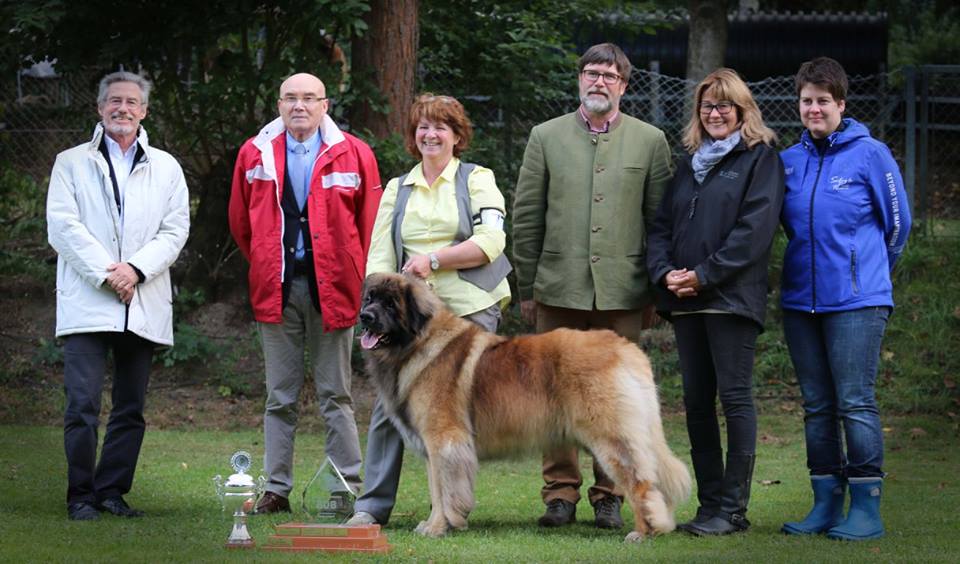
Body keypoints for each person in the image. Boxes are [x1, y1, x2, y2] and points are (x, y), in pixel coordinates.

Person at [512, 43, 673, 529]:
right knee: (551, 396)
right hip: (557, 289)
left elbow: (660, 223)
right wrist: (527, 285)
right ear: (579, 80)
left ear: (624, 84)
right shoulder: (546, 136)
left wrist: (653, 291)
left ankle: (609, 496)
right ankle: (559, 493)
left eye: (609, 75)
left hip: (622, 293)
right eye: (590, 73)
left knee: (612, 400)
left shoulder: (650, 141)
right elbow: (526, 217)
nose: (598, 81)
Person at [346, 93, 511, 526]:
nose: (430, 134)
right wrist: (384, 303)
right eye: (422, 126)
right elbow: (378, 261)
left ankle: (453, 506)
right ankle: (371, 506)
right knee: (390, 405)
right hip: (409, 317)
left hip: (470, 305)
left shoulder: (478, 179)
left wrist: (433, 260)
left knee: (460, 410)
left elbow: (492, 242)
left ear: (458, 136)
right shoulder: (397, 189)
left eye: (441, 126)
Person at [228, 72, 382, 514]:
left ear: (325, 105)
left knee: (337, 395)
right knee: (280, 396)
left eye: (309, 98)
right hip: (276, 288)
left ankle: (344, 488)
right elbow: (242, 221)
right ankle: (276, 489)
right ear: (278, 104)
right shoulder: (254, 152)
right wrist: (265, 259)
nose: (300, 106)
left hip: (334, 289)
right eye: (291, 98)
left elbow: (368, 224)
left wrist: (352, 274)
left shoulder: (354, 153)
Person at [46, 71, 190, 521]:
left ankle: (111, 492)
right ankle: (81, 496)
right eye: (114, 101)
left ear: (144, 111)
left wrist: (136, 270)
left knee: (130, 407)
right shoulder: (70, 162)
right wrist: (110, 274)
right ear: (100, 108)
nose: (122, 108)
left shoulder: (166, 166)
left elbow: (175, 229)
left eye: (131, 102)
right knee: (82, 405)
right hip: (88, 299)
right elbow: (63, 227)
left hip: (141, 300)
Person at [647, 68, 784, 536]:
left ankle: (733, 510)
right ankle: (709, 507)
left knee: (735, 400)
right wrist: (666, 273)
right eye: (707, 105)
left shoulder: (760, 160)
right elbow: (662, 225)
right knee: (696, 404)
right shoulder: (690, 162)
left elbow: (755, 232)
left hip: (730, 300)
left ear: (743, 110)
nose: (716, 112)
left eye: (725, 105)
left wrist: (703, 275)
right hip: (686, 301)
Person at [779, 57, 911, 541]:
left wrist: (869, 275)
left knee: (854, 402)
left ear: (841, 104)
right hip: (800, 303)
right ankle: (825, 503)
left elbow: (899, 226)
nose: (814, 109)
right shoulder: (788, 161)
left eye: (823, 101)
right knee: (816, 406)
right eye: (807, 101)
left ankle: (866, 509)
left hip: (857, 303)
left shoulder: (871, 154)